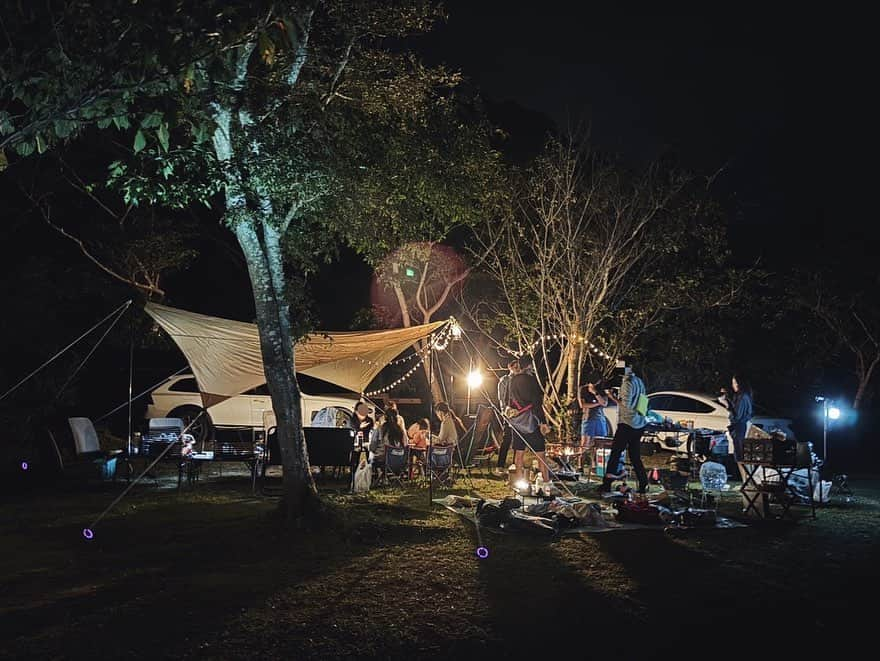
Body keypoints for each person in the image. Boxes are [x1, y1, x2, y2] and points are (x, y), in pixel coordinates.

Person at [600, 362, 648, 495]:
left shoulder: (627, 383)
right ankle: (644, 483)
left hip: (627, 423)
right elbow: (644, 401)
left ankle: (606, 484)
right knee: (635, 456)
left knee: (615, 453)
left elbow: (624, 404)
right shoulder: (640, 381)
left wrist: (611, 396)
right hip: (639, 423)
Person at [508, 354, 551, 483]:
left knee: (519, 453)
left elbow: (511, 400)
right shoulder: (531, 380)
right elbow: (536, 403)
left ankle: (519, 482)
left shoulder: (513, 380)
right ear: (529, 365)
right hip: (531, 421)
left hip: (517, 421)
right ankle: (546, 482)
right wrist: (543, 422)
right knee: (540, 454)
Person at [720, 375, 753, 481]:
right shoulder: (741, 396)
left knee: (741, 457)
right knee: (739, 456)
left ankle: (746, 480)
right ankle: (745, 480)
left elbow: (737, 415)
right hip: (739, 427)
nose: (733, 385)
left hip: (740, 428)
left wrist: (725, 403)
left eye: (734, 382)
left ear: (739, 383)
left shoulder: (743, 397)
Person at [494, 356, 521, 475]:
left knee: (518, 440)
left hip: (520, 413)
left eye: (518, 367)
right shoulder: (504, 380)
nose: (517, 369)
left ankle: (515, 464)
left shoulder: (521, 380)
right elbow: (501, 398)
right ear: (510, 367)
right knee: (507, 439)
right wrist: (505, 411)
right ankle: (500, 465)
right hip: (509, 413)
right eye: (515, 367)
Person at [578, 382, 608, 471]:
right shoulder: (583, 389)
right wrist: (598, 403)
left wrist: (595, 392)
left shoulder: (600, 389)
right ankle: (580, 466)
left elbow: (605, 403)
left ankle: (595, 466)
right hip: (588, 418)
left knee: (599, 444)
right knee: (585, 444)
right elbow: (583, 405)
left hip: (600, 419)